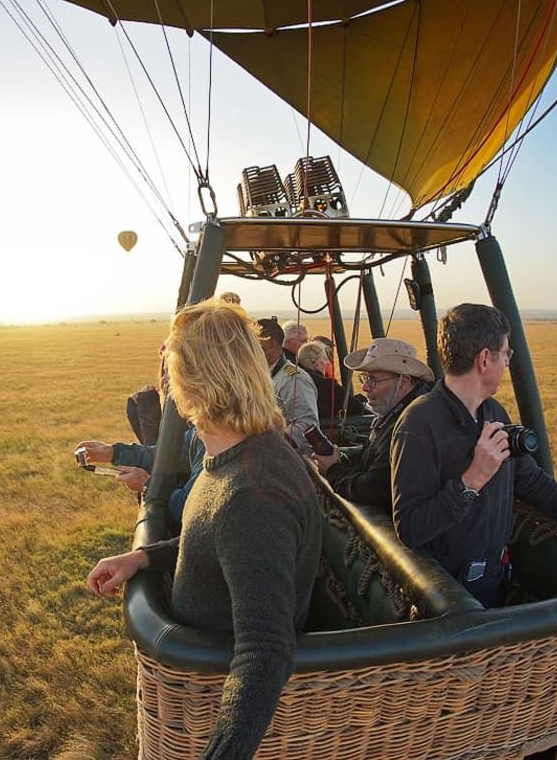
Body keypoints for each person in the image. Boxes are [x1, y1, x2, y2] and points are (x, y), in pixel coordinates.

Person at [85, 298, 321, 758]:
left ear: (192, 382)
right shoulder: (232, 456)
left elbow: (264, 651)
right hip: (197, 697)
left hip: (209, 705)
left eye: (169, 369)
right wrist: (141, 557)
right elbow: (211, 539)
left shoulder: (255, 491)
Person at [391, 303, 557, 607]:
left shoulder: (493, 413)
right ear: (485, 359)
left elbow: (531, 481)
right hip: (450, 601)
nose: (508, 362)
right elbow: (411, 528)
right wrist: (472, 480)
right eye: (506, 354)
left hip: (493, 579)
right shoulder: (419, 424)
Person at [314, 337, 432, 508]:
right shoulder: (394, 413)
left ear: (403, 381)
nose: (365, 388)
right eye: (365, 378)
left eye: (374, 380)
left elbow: (375, 488)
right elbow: (375, 459)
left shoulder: (411, 424)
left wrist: (333, 470)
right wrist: (342, 456)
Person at [74, 427, 204, 526]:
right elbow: (166, 456)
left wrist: (147, 485)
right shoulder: (199, 429)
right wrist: (113, 452)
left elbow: (192, 507)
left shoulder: (211, 438)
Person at [257, 317, 319, 452]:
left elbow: (307, 425)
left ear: (271, 343)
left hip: (292, 461)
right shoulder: (264, 374)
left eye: (253, 343)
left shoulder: (293, 379)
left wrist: (264, 442)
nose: (248, 349)